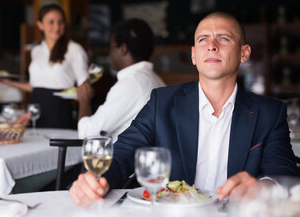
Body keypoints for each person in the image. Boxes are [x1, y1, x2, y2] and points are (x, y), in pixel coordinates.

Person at [69, 12, 300, 206]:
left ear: (244, 53)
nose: (211, 46)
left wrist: (262, 187)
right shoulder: (163, 102)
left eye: (223, 38)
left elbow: (285, 174)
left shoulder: (269, 113)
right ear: (193, 55)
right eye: (203, 40)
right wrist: (96, 180)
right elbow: (122, 154)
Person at [1, 4, 88, 129]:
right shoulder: (36, 50)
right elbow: (35, 86)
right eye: (51, 22)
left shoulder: (74, 49)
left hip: (59, 111)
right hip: (34, 111)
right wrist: (7, 82)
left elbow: (84, 87)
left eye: (60, 22)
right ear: (40, 24)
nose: (56, 27)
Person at [76, 19, 165, 142]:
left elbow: (87, 134)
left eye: (111, 47)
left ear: (123, 49)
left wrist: (84, 99)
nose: (110, 54)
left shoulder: (130, 84)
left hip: (127, 160)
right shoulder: (156, 80)